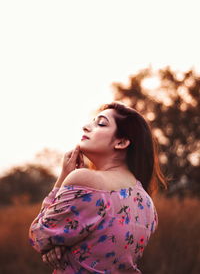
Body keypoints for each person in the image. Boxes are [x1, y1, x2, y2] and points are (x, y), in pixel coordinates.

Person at [29, 101, 168, 273]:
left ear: (121, 142)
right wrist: (58, 246)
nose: (86, 127)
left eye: (101, 123)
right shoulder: (147, 203)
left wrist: (63, 177)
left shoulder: (85, 181)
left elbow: (39, 235)